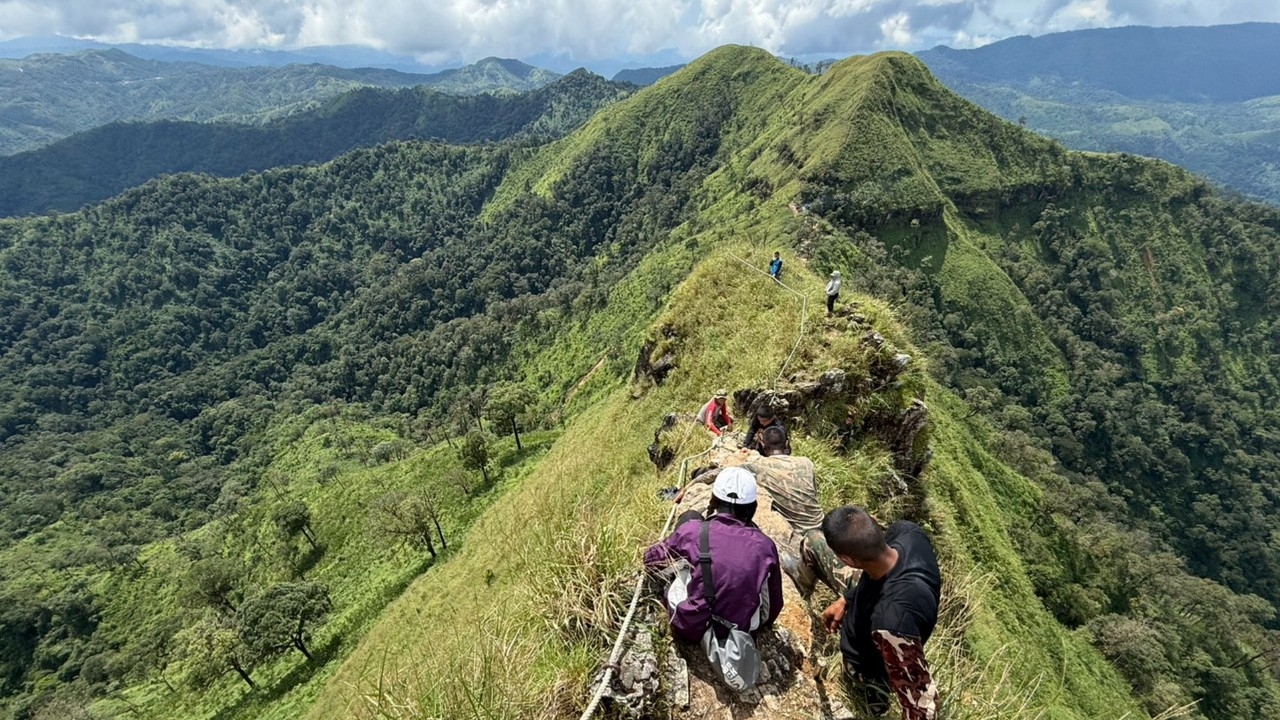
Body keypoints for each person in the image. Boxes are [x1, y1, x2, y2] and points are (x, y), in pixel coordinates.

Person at [680, 426, 853, 596]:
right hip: (823, 528)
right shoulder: (806, 463)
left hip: (800, 538)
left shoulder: (759, 466)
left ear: (763, 445)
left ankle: (804, 579)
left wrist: (688, 486)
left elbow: (723, 473)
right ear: (786, 443)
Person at [820, 506, 942, 720]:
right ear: (875, 523)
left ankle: (871, 700)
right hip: (883, 611)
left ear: (848, 561)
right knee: (813, 542)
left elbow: (923, 707)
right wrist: (848, 598)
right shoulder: (907, 532)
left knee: (812, 542)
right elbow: (876, 578)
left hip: (865, 669)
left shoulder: (891, 624)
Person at [644, 468, 784, 644]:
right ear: (753, 507)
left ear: (714, 500)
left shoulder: (692, 531)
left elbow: (651, 560)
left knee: (685, 562)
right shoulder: (764, 545)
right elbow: (774, 603)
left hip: (691, 627)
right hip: (740, 629)